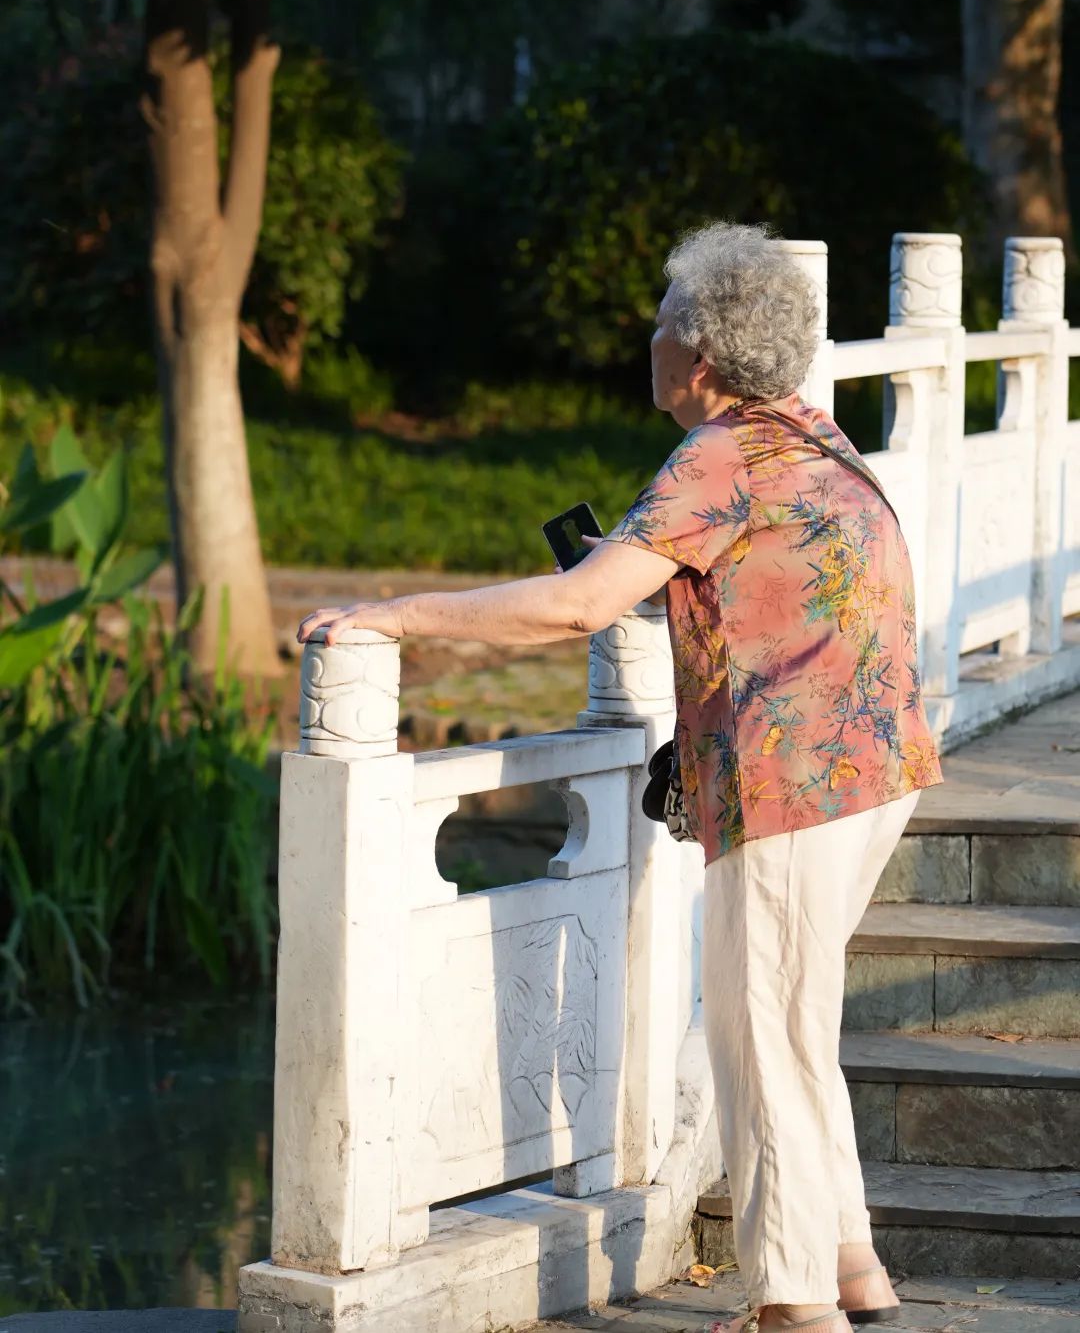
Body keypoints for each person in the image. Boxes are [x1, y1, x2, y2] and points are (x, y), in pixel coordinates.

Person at [297, 221, 943, 1333]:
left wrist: (395, 613)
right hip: (876, 769)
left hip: (795, 784)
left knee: (762, 1036)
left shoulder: (718, 457)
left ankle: (794, 1304)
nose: (648, 339)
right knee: (795, 1024)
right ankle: (849, 1263)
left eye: (659, 322)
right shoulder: (814, 436)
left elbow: (575, 607)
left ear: (698, 355)